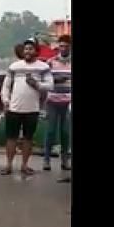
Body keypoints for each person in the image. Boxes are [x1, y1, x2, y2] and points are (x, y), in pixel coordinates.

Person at [1, 38, 53, 176]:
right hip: (14, 108)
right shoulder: (14, 66)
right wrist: (6, 100)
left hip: (32, 109)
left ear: (36, 51)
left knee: (28, 138)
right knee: (11, 137)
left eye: (30, 49)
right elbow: (6, 86)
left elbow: (50, 85)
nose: (28, 51)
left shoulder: (43, 67)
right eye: (26, 49)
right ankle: (8, 165)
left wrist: (36, 84)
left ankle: (24, 165)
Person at [43, 34, 72, 171]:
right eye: (61, 46)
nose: (63, 48)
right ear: (58, 47)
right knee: (50, 131)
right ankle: (46, 160)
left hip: (67, 101)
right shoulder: (50, 62)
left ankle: (65, 159)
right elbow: (44, 79)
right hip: (52, 101)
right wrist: (55, 80)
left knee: (65, 132)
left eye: (66, 46)